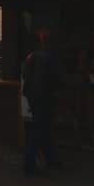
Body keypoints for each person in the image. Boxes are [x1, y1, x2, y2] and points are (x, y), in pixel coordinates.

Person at [23, 29, 64, 176]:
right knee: (41, 129)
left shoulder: (30, 57)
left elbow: (26, 79)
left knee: (43, 129)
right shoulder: (50, 58)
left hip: (33, 98)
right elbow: (56, 80)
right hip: (45, 97)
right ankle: (29, 162)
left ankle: (51, 158)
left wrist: (29, 96)